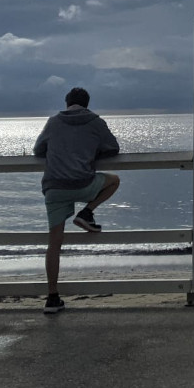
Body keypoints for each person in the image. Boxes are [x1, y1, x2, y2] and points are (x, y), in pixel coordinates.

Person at [33, 87, 120, 314]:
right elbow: (113, 148)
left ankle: (52, 298)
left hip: (55, 187)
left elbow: (38, 150)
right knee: (114, 180)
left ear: (67, 102)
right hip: (83, 183)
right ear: (87, 103)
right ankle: (87, 212)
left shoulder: (54, 122)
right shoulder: (96, 122)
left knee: (54, 243)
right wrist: (91, 152)